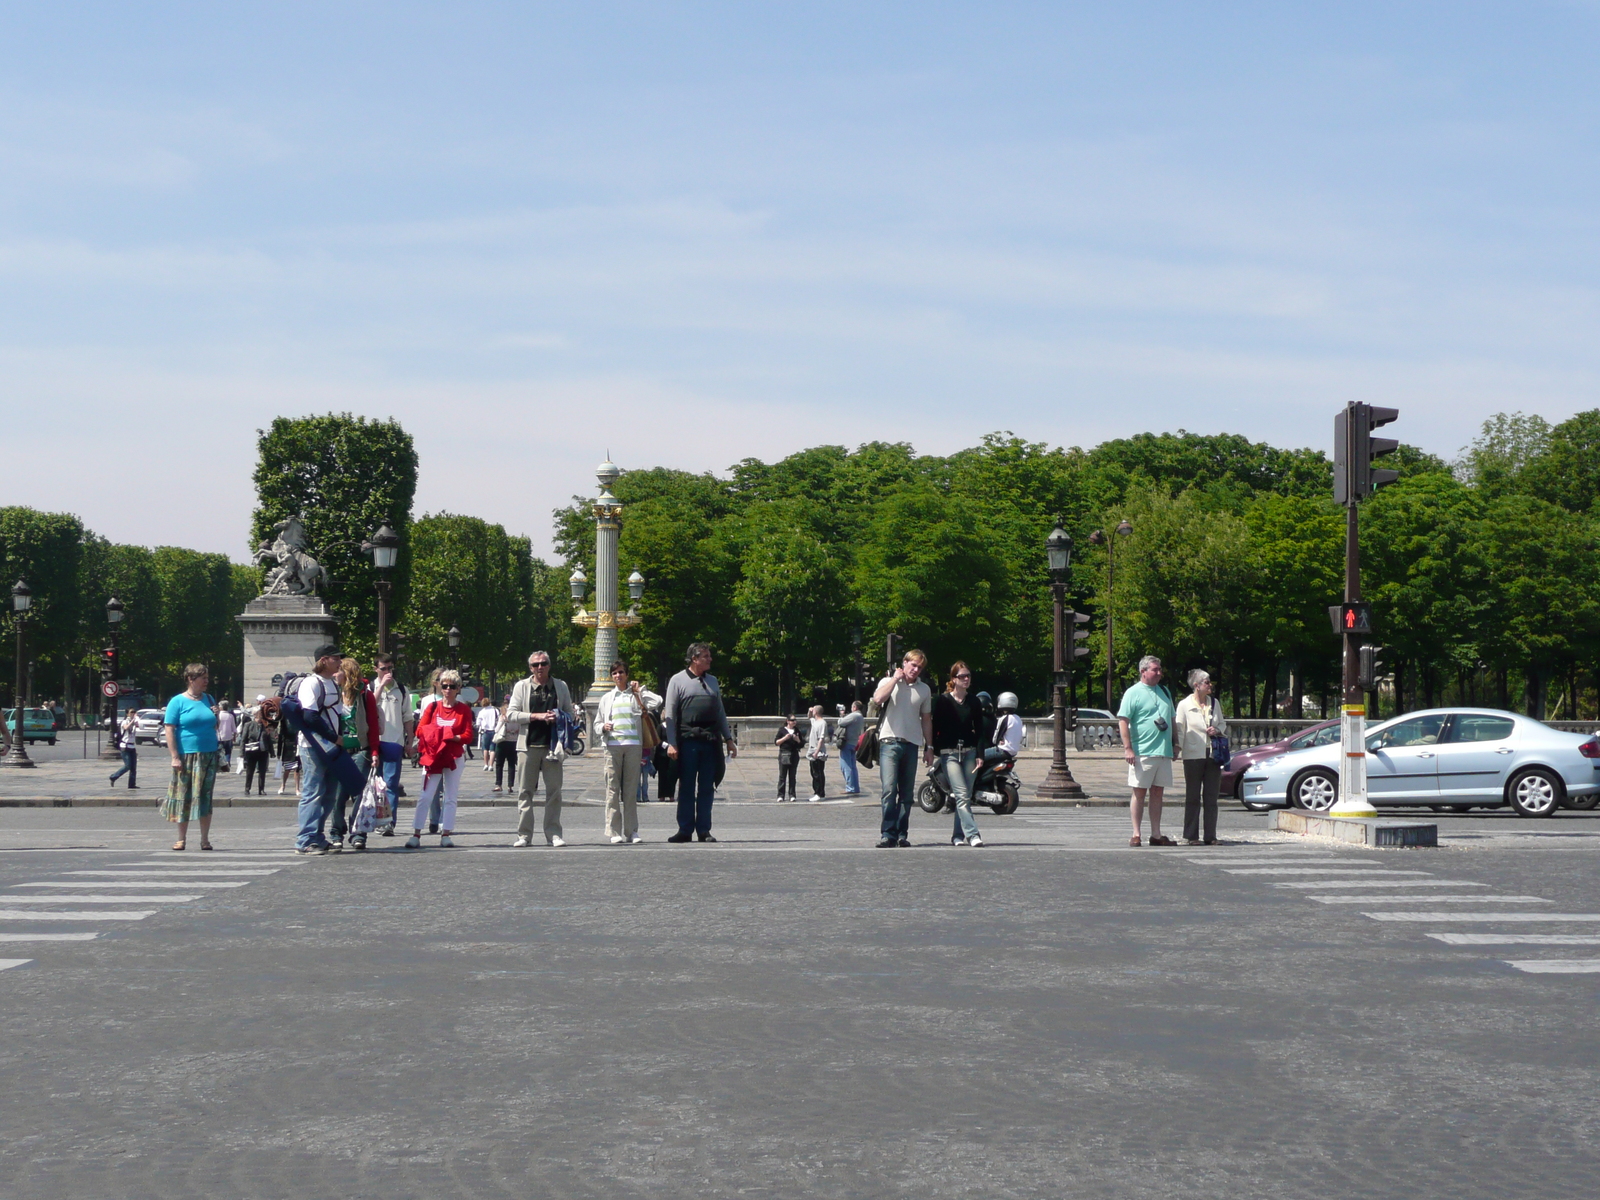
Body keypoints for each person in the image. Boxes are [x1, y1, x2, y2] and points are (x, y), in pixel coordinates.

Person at [662, 642, 737, 843]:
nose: (710, 659)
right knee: (686, 786)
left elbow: (720, 712)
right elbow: (670, 715)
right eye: (706, 656)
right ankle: (684, 830)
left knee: (706, 787)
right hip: (687, 742)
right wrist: (671, 743)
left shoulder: (713, 681)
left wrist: (728, 739)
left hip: (710, 742)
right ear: (694, 659)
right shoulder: (677, 681)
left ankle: (704, 830)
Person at [507, 651, 582, 847]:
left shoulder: (560, 686)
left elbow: (569, 712)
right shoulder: (521, 687)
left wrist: (559, 716)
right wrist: (537, 716)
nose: (539, 667)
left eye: (543, 663)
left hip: (553, 747)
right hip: (527, 746)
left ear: (549, 665)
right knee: (525, 792)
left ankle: (553, 833)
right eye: (535, 665)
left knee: (554, 792)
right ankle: (524, 835)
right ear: (530, 667)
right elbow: (511, 714)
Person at [871, 649, 935, 848]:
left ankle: (901, 833)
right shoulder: (887, 682)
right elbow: (878, 699)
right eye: (913, 665)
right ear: (904, 663)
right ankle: (887, 833)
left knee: (906, 794)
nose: (915, 670)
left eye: (919, 667)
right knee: (889, 789)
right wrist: (894, 679)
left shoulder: (924, 689)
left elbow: (926, 719)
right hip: (889, 742)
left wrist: (929, 746)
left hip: (911, 744)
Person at [1118, 655, 1177, 847]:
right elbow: (1123, 721)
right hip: (1142, 751)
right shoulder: (1133, 692)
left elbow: (1173, 719)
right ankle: (1136, 833)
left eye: (1160, 669)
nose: (1159, 673)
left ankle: (1156, 834)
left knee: (1158, 792)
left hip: (1163, 751)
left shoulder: (1165, 691)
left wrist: (1176, 744)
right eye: (1155, 669)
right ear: (1143, 672)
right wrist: (1128, 749)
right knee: (1139, 792)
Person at [409, 670, 471, 848]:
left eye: (452, 686)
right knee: (425, 795)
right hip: (433, 756)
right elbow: (420, 730)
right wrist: (441, 733)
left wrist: (451, 737)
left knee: (451, 796)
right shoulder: (432, 707)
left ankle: (446, 833)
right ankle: (416, 833)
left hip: (454, 756)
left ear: (458, 688)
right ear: (440, 687)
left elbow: (467, 734)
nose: (448, 689)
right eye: (445, 686)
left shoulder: (463, 709)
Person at [294, 643, 347, 854]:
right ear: (323, 660)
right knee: (313, 792)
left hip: (332, 746)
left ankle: (317, 835)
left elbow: (338, 712)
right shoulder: (311, 683)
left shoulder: (331, 683)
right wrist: (335, 737)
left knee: (329, 794)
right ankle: (305, 840)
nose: (339, 661)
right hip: (314, 746)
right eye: (335, 658)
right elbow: (310, 716)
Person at [162, 663, 220, 851]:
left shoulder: (209, 699)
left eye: (207, 677)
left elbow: (214, 726)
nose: (206, 681)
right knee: (183, 796)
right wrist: (174, 756)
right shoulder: (177, 702)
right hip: (186, 756)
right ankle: (181, 838)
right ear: (190, 679)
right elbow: (169, 729)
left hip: (209, 754)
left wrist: (217, 716)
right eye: (203, 678)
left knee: (205, 796)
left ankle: (205, 839)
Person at [597, 658, 655, 844]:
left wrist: (640, 690)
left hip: (633, 746)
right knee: (612, 790)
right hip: (612, 747)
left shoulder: (635, 696)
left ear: (627, 674)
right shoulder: (607, 698)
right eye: (615, 673)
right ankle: (614, 831)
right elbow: (597, 723)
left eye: (621, 672)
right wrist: (603, 727)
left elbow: (657, 701)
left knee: (631, 790)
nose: (618, 676)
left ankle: (632, 831)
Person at [932, 661, 989, 847]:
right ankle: (973, 835)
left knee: (964, 795)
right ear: (953, 679)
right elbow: (935, 727)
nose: (966, 679)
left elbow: (980, 729)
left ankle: (957, 836)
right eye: (962, 676)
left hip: (970, 752)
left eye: (968, 676)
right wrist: (931, 748)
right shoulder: (942, 701)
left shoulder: (973, 701)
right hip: (949, 753)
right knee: (962, 794)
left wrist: (980, 754)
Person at [330, 658, 380, 851]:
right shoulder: (332, 694)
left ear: (347, 673)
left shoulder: (365, 696)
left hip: (360, 750)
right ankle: (336, 832)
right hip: (338, 751)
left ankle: (358, 833)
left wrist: (374, 751)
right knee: (337, 795)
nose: (334, 674)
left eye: (338, 671)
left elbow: (373, 727)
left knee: (359, 794)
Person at [1175, 668, 1229, 846]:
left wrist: (1217, 729)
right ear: (1196, 686)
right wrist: (1178, 748)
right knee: (1192, 796)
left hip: (1213, 754)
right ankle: (1191, 836)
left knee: (1211, 797)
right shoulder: (1184, 705)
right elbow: (1180, 728)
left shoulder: (1215, 703)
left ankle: (1210, 835)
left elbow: (1222, 723)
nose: (1210, 685)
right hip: (1192, 755)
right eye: (1206, 682)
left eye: (1209, 681)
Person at [370, 652, 412, 835]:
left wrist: (410, 740)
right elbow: (370, 705)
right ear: (376, 669)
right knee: (373, 784)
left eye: (390, 668)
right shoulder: (370, 687)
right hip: (373, 742)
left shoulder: (401, 689)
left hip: (394, 741)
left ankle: (388, 822)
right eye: (383, 669)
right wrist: (380, 687)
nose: (388, 672)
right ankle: (374, 819)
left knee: (390, 784)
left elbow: (407, 717)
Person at [237, 705, 271, 795]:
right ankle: (247, 788)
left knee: (262, 771)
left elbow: (269, 740)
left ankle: (261, 789)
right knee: (250, 771)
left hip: (263, 751)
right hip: (251, 751)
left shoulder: (265, 725)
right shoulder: (249, 725)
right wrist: (242, 752)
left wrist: (272, 751)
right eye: (259, 713)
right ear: (255, 714)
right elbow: (243, 739)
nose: (261, 715)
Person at [492, 698, 519, 795]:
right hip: (514, 742)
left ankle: (498, 785)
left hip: (502, 742)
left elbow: (496, 730)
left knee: (499, 764)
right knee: (512, 764)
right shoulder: (516, 719)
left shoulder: (502, 717)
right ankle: (510, 786)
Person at [837, 701, 864, 795]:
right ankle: (855, 787)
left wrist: (842, 715)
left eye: (852, 707)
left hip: (847, 742)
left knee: (845, 766)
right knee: (852, 766)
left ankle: (850, 787)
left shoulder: (854, 716)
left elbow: (841, 722)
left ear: (855, 707)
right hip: (853, 742)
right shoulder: (860, 716)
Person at [108, 707, 139, 789]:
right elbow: (126, 727)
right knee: (127, 765)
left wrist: (136, 721)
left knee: (133, 767)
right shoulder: (124, 721)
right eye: (131, 712)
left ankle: (132, 784)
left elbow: (137, 727)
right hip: (125, 746)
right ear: (127, 714)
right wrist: (132, 721)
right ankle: (113, 776)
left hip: (132, 746)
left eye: (134, 712)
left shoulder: (134, 722)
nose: (133, 713)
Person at [805, 704, 830, 802]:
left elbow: (821, 739)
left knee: (818, 773)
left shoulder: (822, 723)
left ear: (816, 711)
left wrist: (816, 752)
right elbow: (809, 717)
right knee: (813, 772)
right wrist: (810, 711)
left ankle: (819, 793)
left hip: (817, 751)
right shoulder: (814, 721)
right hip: (812, 750)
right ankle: (817, 792)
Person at [774, 715, 802, 801]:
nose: (794, 722)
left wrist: (797, 739)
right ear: (787, 721)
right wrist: (785, 738)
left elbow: (802, 744)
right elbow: (776, 742)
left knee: (792, 776)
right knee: (782, 776)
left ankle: (792, 795)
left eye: (795, 720)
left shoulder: (797, 730)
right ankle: (780, 795)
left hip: (794, 755)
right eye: (792, 720)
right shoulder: (782, 730)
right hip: (784, 754)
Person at [475, 696, 500, 773]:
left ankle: (485, 764)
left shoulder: (482, 712)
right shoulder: (495, 710)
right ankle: (491, 765)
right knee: (492, 749)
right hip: (494, 730)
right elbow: (499, 719)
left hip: (485, 731)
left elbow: (478, 723)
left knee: (485, 748)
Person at [215, 700, 237, 770]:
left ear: (220, 707)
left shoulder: (218, 715)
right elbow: (233, 727)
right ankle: (227, 763)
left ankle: (219, 764)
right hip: (228, 736)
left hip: (218, 737)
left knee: (218, 752)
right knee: (228, 752)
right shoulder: (230, 716)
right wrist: (234, 736)